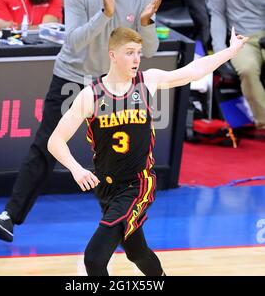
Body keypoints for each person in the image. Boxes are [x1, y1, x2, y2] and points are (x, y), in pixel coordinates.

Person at [0, 0, 162, 242]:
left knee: (117, 157)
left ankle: (122, 225)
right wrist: (104, 14)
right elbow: (74, 42)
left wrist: (146, 23)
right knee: (46, 146)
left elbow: (152, 49)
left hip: (112, 84)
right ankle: (9, 217)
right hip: (73, 78)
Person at [47, 26, 249, 276]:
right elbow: (55, 140)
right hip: (107, 187)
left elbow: (193, 71)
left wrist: (230, 51)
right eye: (129, 52)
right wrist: (76, 169)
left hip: (138, 185)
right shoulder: (91, 95)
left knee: (94, 259)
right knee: (136, 250)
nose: (136, 59)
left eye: (139, 53)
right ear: (112, 55)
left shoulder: (147, 82)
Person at [208, 0, 265, 129]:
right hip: (243, 38)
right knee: (247, 69)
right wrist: (220, 50)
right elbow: (217, 12)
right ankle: (263, 122)